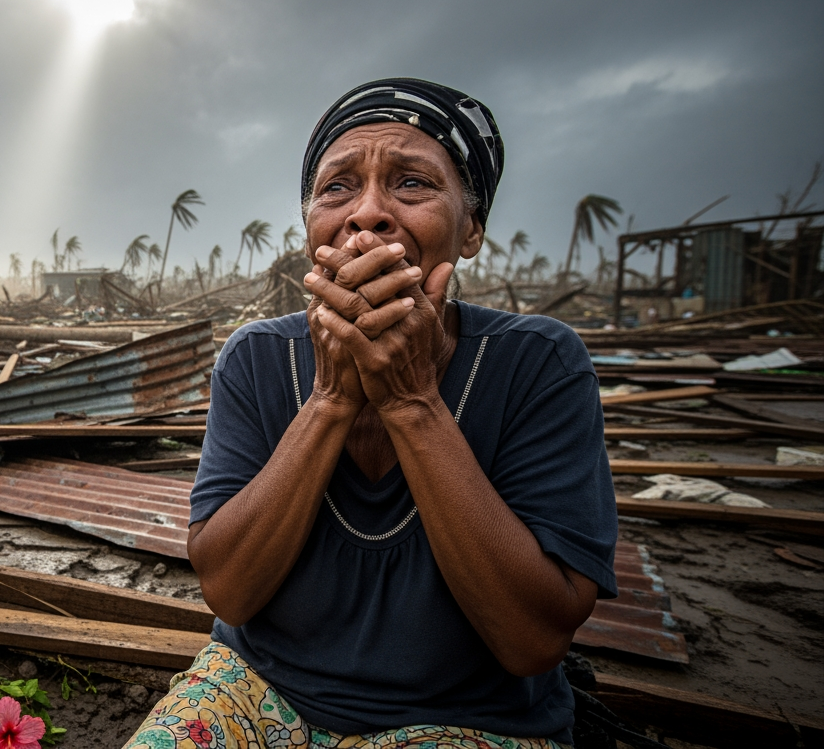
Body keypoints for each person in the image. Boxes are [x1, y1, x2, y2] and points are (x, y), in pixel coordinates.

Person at [124, 79, 618, 749]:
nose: (368, 215)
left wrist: (410, 400)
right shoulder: (257, 359)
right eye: (338, 188)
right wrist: (333, 399)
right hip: (260, 687)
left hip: (470, 718)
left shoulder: (539, 364)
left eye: (412, 183)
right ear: (310, 232)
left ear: (470, 230)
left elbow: (534, 640)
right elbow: (230, 593)